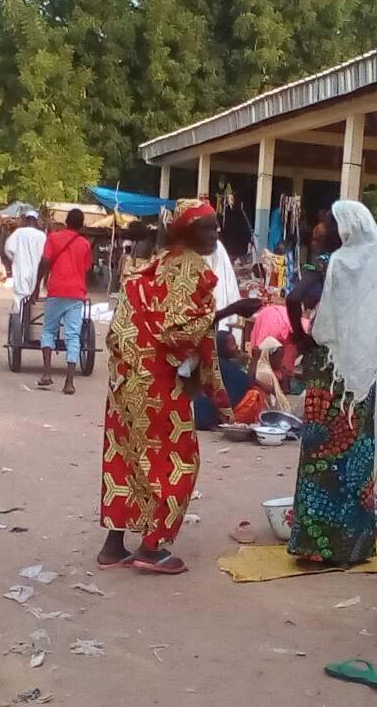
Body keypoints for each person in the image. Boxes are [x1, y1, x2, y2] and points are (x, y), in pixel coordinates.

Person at [98, 199, 261, 574]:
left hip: (125, 382)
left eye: (216, 227)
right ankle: (152, 549)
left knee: (126, 459)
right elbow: (180, 332)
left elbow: (134, 324)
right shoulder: (193, 270)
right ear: (187, 231)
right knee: (177, 463)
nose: (215, 234)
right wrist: (230, 312)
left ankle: (113, 545)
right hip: (158, 383)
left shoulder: (153, 265)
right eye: (208, 227)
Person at [285, 201, 377, 567]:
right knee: (357, 456)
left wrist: (302, 337)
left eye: (327, 222)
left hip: (328, 368)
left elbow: (294, 297)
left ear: (342, 228)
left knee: (319, 457)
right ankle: (353, 546)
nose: (322, 228)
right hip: (363, 372)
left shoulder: (331, 261)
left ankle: (315, 546)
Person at [36, 208, 93, 394]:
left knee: (48, 330)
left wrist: (37, 284)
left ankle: (46, 374)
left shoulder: (53, 237)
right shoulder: (84, 244)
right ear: (82, 224)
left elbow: (45, 261)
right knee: (73, 336)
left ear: (66, 221)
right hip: (76, 294)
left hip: (56, 290)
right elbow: (86, 269)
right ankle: (69, 382)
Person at [4, 210, 47, 310]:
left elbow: (8, 249)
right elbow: (46, 255)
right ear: (36, 221)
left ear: (26, 220)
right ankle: (28, 318)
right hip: (37, 270)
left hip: (21, 268)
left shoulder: (18, 233)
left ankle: (21, 319)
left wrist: (15, 259)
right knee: (32, 296)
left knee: (21, 296)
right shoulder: (41, 236)